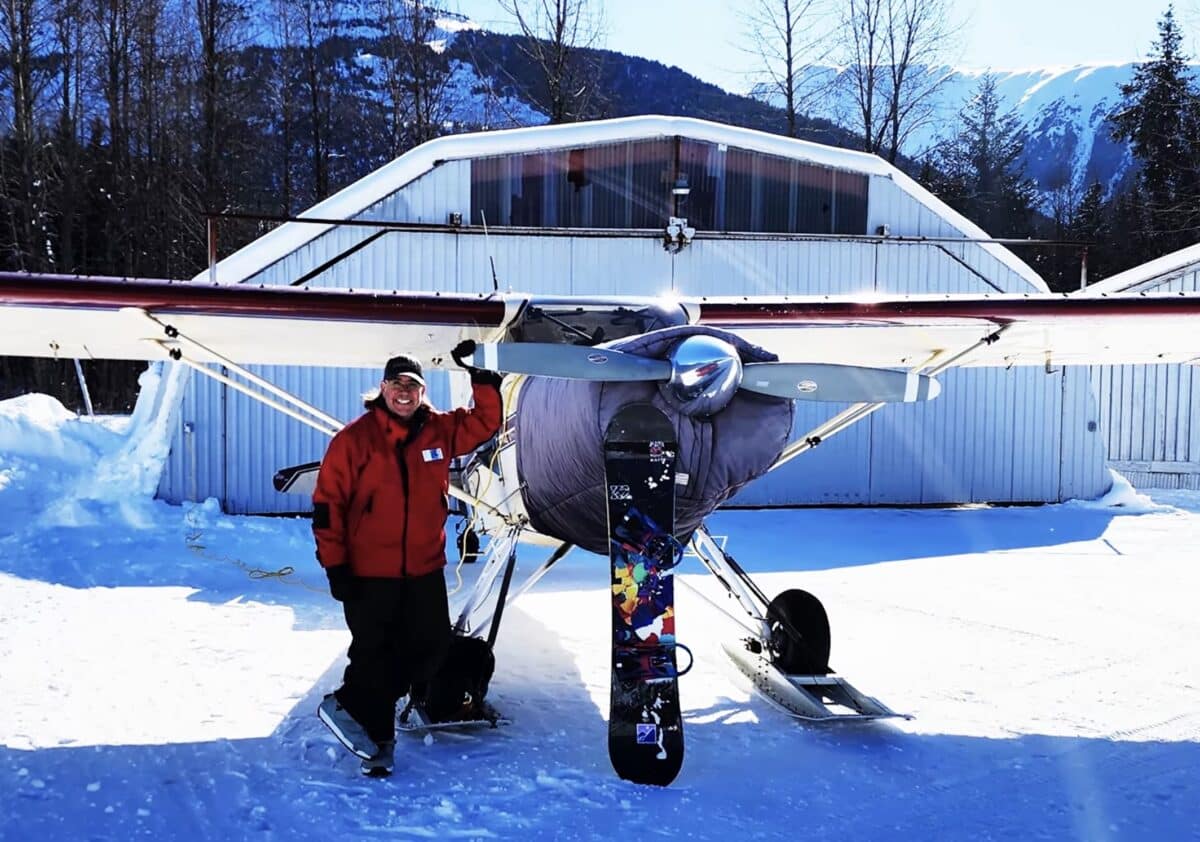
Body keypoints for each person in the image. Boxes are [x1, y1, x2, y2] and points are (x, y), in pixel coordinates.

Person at [313, 345, 503, 777]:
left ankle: (349, 702)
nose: (404, 392)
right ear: (382, 388)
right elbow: (327, 508)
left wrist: (481, 378)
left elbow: (484, 423)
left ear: (422, 392)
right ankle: (378, 747)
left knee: (431, 649)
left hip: (423, 570)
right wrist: (335, 565)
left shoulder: (439, 431)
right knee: (373, 657)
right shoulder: (353, 440)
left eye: (412, 385)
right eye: (396, 383)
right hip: (368, 574)